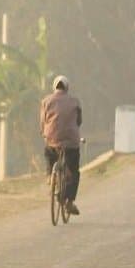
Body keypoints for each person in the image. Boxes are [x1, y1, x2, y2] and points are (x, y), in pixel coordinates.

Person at [41, 75, 82, 215]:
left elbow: (43, 122)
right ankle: (69, 202)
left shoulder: (46, 101)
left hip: (52, 140)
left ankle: (48, 175)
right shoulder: (75, 101)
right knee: (74, 170)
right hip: (71, 143)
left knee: (48, 153)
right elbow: (79, 121)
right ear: (67, 87)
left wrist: (45, 133)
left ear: (54, 87)